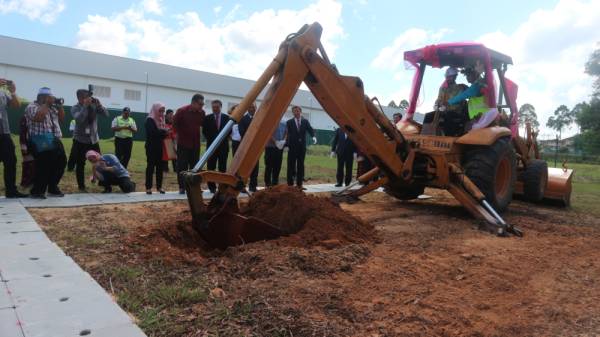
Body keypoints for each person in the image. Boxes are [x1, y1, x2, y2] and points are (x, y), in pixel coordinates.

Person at [24, 87, 66, 199]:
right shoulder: (32, 106)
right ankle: (37, 191)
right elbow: (38, 118)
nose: (51, 99)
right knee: (44, 165)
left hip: (55, 138)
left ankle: (52, 187)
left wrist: (60, 106)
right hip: (40, 139)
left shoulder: (52, 108)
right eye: (49, 97)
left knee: (60, 163)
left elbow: (62, 119)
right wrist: (47, 104)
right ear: (41, 97)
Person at [71, 88, 108, 192]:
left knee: (101, 162)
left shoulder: (94, 105)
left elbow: (106, 114)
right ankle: (81, 187)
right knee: (80, 164)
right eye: (85, 97)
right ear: (79, 98)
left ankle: (105, 184)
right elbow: (79, 119)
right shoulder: (75, 108)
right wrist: (85, 106)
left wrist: (99, 105)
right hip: (80, 140)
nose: (88, 98)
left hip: (94, 139)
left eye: (88, 96)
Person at [447, 64, 499, 131]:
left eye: (468, 75)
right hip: (481, 118)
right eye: (466, 75)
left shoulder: (478, 85)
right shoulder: (481, 84)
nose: (467, 78)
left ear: (475, 73)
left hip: (481, 118)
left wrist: (448, 102)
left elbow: (463, 96)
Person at [0, 78, 27, 198]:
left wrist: (13, 91)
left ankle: (11, 191)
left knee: (11, 161)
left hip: (4, 132)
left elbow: (16, 105)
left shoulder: (3, 93)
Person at [174, 94, 205, 194]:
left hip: (195, 145)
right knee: (182, 166)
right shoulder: (181, 111)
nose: (202, 106)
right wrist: (176, 139)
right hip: (183, 144)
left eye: (203, 104)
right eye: (200, 104)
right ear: (193, 102)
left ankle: (194, 187)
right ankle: (182, 187)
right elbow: (174, 126)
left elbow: (202, 125)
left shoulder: (202, 113)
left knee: (195, 167)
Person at [202, 100, 230, 193]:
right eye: (213, 107)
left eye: (217, 107)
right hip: (211, 147)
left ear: (220, 107)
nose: (215, 109)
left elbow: (229, 131)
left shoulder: (227, 118)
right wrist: (213, 140)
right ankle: (212, 187)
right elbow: (205, 132)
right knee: (211, 167)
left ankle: (222, 187)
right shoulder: (207, 118)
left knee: (222, 168)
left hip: (223, 147)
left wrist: (221, 139)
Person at [286, 105, 316, 189]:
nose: (296, 112)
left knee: (300, 165)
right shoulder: (289, 122)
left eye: (297, 111)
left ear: (300, 112)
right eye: (294, 111)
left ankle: (299, 184)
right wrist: (287, 145)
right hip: (292, 147)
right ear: (293, 112)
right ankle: (290, 184)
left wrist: (313, 136)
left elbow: (310, 130)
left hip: (302, 147)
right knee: (291, 165)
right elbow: (287, 135)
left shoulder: (305, 121)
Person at [435, 67, 469, 136]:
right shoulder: (443, 88)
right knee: (429, 117)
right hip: (444, 111)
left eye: (451, 77)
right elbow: (439, 98)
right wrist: (437, 103)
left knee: (449, 117)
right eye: (447, 77)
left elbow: (469, 94)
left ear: (455, 77)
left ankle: (448, 138)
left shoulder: (461, 87)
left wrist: (447, 106)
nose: (448, 78)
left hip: (457, 113)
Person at [145, 102, 168, 194]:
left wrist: (163, 132)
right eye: (160, 110)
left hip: (160, 147)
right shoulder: (149, 120)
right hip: (151, 147)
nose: (162, 113)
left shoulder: (162, 120)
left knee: (160, 167)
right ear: (155, 110)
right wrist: (163, 132)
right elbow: (152, 133)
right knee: (150, 167)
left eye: (163, 111)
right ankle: (148, 187)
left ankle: (159, 187)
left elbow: (163, 135)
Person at [238, 103, 259, 192]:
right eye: (250, 107)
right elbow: (241, 132)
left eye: (253, 107)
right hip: (246, 146)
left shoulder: (258, 118)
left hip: (256, 146)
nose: (252, 109)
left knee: (255, 167)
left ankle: (253, 186)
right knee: (243, 167)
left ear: (256, 108)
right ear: (247, 109)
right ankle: (241, 187)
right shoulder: (243, 119)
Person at [264, 119, 286, 187]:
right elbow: (268, 133)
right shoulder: (270, 121)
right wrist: (275, 142)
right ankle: (267, 183)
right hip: (270, 147)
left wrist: (283, 141)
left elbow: (286, 132)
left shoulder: (284, 122)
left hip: (279, 147)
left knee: (277, 166)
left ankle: (275, 183)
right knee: (269, 166)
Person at [19, 114, 35, 189]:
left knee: (34, 164)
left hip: (35, 144)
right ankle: (25, 184)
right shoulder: (25, 118)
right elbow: (22, 133)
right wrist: (23, 146)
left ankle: (32, 183)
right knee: (28, 164)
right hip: (27, 144)